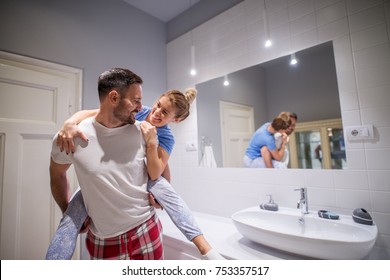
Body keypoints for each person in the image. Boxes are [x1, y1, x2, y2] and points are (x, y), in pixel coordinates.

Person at [46, 87, 224, 260]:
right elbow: (92, 112)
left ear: (175, 120)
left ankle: (206, 249)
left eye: (165, 113)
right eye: (158, 105)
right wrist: (69, 123)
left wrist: (151, 143)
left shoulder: (167, 137)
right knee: (70, 217)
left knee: (169, 195)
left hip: (144, 177)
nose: (157, 112)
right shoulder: (137, 111)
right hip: (108, 174)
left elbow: (155, 174)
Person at [49, 68, 163, 260]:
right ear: (114, 97)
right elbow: (57, 175)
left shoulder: (143, 132)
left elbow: (160, 169)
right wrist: (68, 211)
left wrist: (161, 195)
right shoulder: (71, 138)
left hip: (148, 230)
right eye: (135, 101)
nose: (141, 107)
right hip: (104, 241)